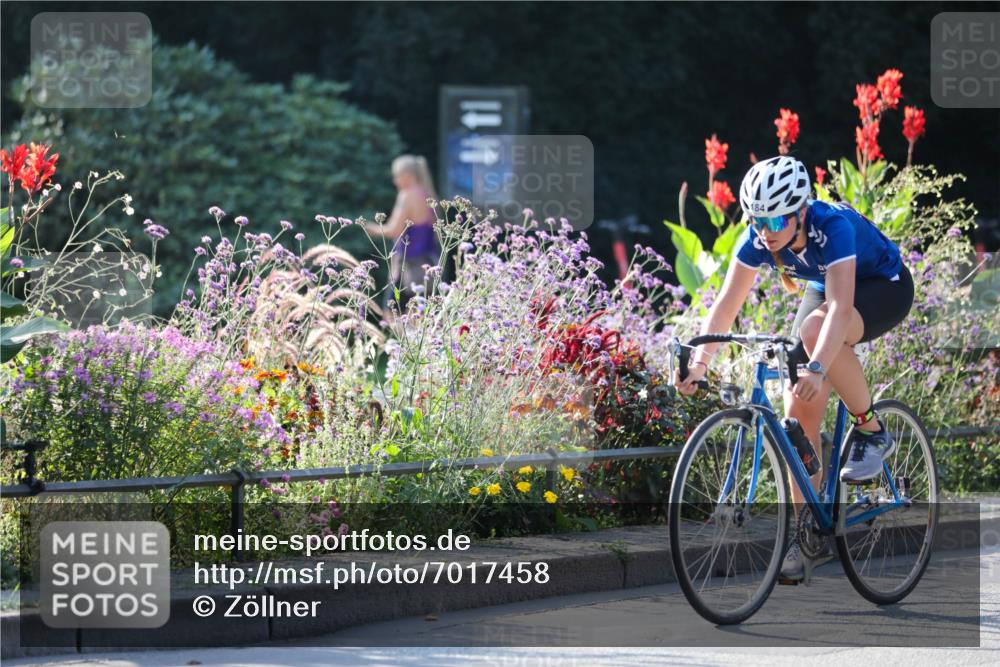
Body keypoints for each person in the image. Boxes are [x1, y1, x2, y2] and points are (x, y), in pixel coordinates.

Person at [673, 155, 914, 582]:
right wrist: (700, 361)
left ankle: (872, 429)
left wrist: (819, 368)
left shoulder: (832, 226)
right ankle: (805, 534)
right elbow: (726, 304)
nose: (766, 232)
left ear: (801, 210)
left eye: (777, 219)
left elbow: (839, 309)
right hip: (828, 287)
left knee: (816, 329)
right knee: (794, 418)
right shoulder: (759, 238)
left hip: (883, 287)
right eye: (757, 220)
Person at [366, 155, 441, 311]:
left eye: (397, 176)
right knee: (420, 316)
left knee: (390, 314)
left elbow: (393, 230)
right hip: (428, 264)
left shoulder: (407, 195)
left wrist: (370, 228)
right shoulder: (427, 194)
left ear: (408, 175)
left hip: (408, 267)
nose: (395, 182)